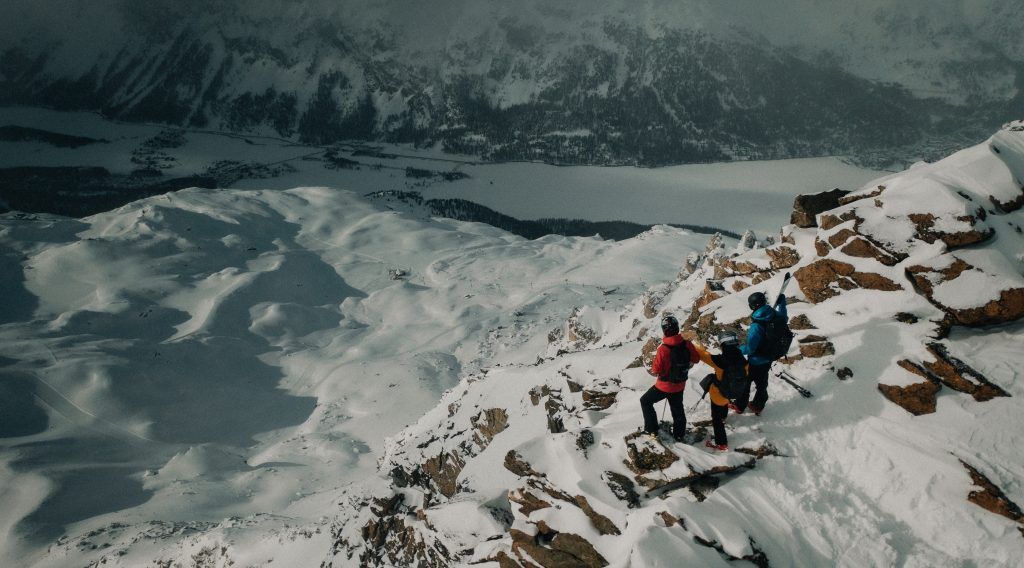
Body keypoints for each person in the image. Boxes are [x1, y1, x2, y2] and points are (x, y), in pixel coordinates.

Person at [640, 315, 699, 441]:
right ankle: (679, 435)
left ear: (664, 331)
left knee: (645, 401)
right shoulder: (687, 344)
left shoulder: (663, 349)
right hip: (679, 384)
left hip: (663, 386)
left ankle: (652, 430)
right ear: (677, 328)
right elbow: (696, 359)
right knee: (677, 410)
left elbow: (656, 370)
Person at [733, 291, 788, 415]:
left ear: (752, 306)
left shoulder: (757, 325)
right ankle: (758, 405)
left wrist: (737, 349)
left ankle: (739, 405)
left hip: (755, 360)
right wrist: (782, 303)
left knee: (745, 384)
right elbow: (785, 317)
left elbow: (750, 348)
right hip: (769, 357)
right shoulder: (776, 316)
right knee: (762, 383)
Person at [693, 332, 748, 452]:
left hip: (719, 394)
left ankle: (721, 443)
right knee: (724, 400)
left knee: (716, 418)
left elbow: (703, 355)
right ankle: (724, 416)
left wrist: (695, 345)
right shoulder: (743, 360)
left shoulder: (719, 360)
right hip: (736, 390)